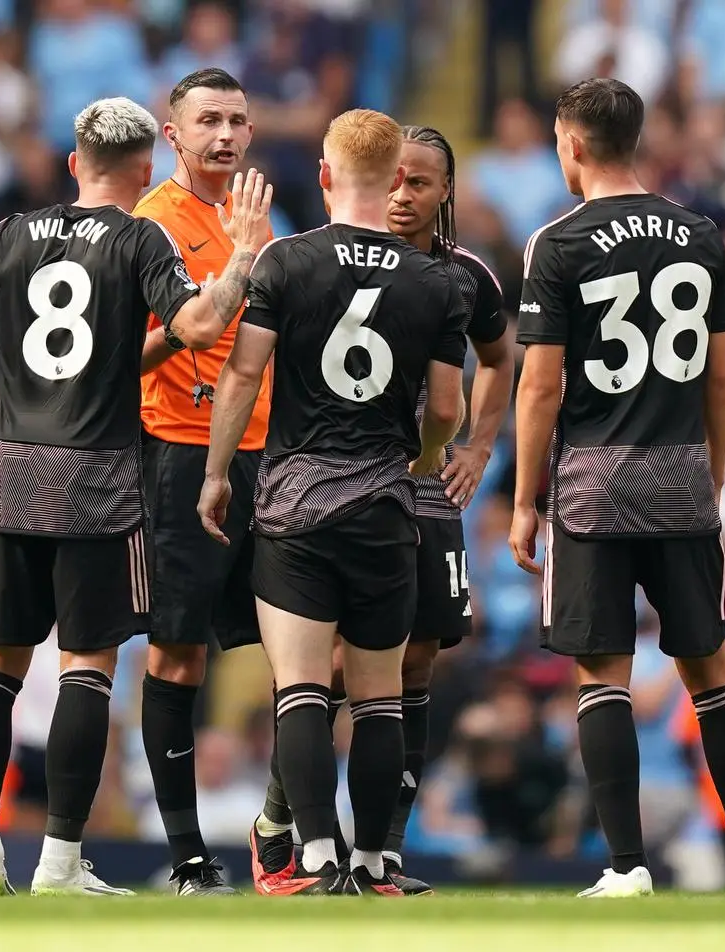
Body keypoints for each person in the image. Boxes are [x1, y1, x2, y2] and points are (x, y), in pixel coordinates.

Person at [0, 97, 271, 897]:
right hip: (97, 475)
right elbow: (204, 326)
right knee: (85, 668)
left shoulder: (9, 234)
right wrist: (241, 257)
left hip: (14, 471)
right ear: (145, 169)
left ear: (74, 163)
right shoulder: (142, 235)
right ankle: (61, 864)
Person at [508, 77, 725, 898]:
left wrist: (525, 500)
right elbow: (722, 380)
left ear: (573, 146)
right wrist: (712, 477)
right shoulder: (701, 235)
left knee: (603, 678)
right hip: (681, 479)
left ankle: (626, 867)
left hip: (592, 486)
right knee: (712, 672)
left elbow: (540, 388)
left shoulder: (556, 243)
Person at [199, 108, 467, 895]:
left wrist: (217, 475)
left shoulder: (286, 261)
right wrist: (413, 459)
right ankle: (377, 862)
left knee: (304, 689)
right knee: (381, 694)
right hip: (387, 507)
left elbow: (243, 376)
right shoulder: (436, 282)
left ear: (324, 175)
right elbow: (447, 409)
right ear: (393, 182)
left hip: (295, 505)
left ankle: (313, 857)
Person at [250, 124, 515, 896]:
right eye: (395, 180)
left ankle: (383, 853)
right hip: (347, 483)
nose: (404, 195)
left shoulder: (464, 274)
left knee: (418, 656)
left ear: (444, 193)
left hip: (425, 484)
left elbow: (500, 359)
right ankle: (287, 819)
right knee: (330, 663)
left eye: (421, 183)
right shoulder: (339, 261)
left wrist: (478, 446)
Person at [133, 66, 272, 896]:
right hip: (181, 450)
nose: (225, 135)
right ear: (172, 133)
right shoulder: (153, 223)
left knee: (303, 651)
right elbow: (134, 351)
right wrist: (204, 320)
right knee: (177, 653)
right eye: (209, 121)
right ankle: (187, 853)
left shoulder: (251, 217)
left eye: (238, 121)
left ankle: (289, 838)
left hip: (269, 454)